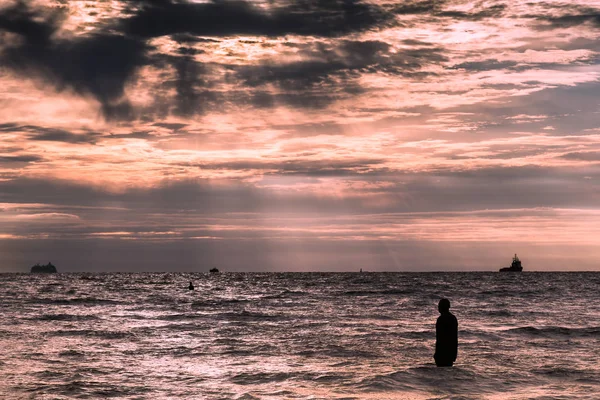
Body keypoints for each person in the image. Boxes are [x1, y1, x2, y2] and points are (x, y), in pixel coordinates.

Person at [434, 298, 458, 367]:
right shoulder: (453, 318)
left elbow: (439, 338)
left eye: (439, 306)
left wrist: (436, 354)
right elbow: (455, 338)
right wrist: (454, 354)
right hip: (450, 353)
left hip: (441, 353)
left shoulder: (440, 319)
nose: (438, 308)